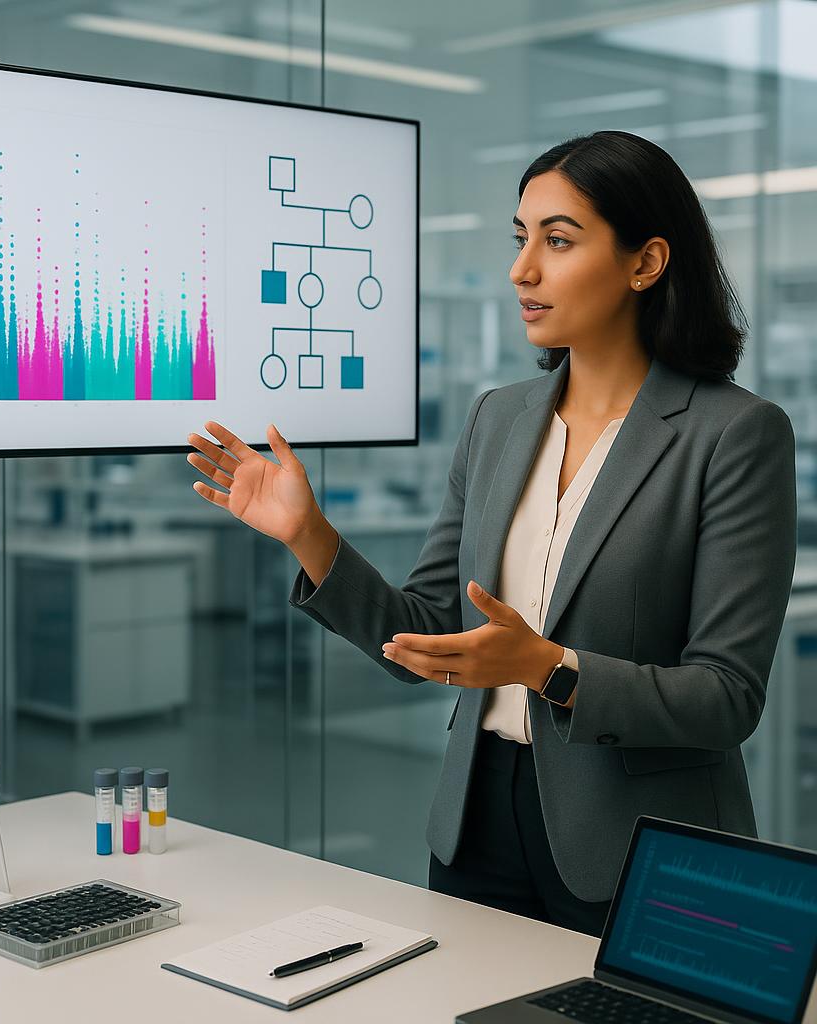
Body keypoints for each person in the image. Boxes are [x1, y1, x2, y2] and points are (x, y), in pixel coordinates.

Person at [185, 130, 797, 937]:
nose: (523, 269)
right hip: (478, 825)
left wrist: (553, 670)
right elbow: (433, 634)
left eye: (558, 239)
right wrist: (310, 537)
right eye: (521, 238)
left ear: (646, 262)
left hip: (638, 842)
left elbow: (727, 695)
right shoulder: (499, 418)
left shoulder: (736, 434)